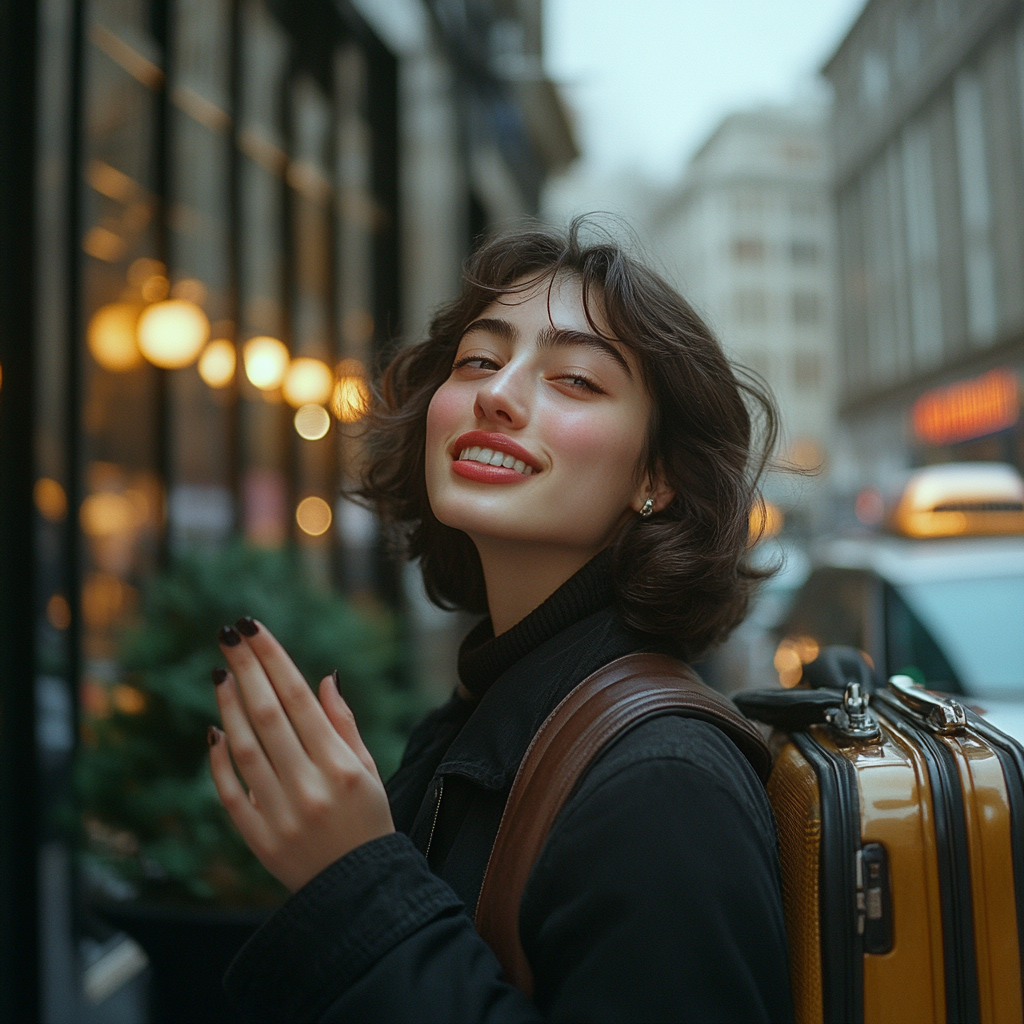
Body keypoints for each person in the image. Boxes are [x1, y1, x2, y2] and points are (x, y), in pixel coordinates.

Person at [208, 219, 794, 1023]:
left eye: (576, 379)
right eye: (479, 360)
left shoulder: (666, 786)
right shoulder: (487, 709)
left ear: (656, 477)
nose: (495, 392)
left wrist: (360, 881)